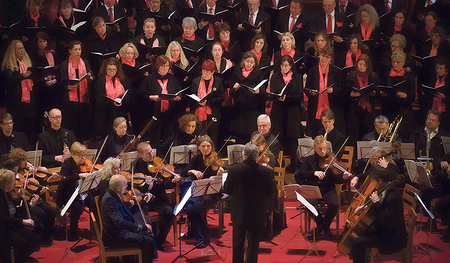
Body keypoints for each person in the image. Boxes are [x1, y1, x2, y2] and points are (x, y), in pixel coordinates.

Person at [223, 143, 274, 263]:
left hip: (239, 211)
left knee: (238, 241)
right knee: (254, 241)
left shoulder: (233, 170)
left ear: (243, 154)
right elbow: (269, 192)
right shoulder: (266, 172)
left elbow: (227, 189)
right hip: (257, 211)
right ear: (257, 156)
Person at [294, 135, 351, 239]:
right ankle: (323, 226)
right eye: (320, 149)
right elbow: (300, 173)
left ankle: (320, 228)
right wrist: (314, 173)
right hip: (313, 189)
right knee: (308, 205)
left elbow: (336, 180)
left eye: (324, 148)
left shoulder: (331, 160)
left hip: (327, 189)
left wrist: (344, 178)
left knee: (335, 204)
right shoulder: (308, 160)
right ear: (314, 149)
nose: (323, 151)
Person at [350, 166, 407, 263]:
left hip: (391, 238)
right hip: (385, 229)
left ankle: (357, 256)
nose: (372, 184)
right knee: (360, 230)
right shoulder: (386, 188)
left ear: (380, 180)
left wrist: (376, 203)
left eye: (373, 181)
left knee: (358, 242)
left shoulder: (393, 196)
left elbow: (385, 218)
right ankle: (359, 256)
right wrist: (365, 207)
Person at [132, 142, 181, 251]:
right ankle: (149, 241)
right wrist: (147, 186)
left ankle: (160, 240)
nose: (151, 154)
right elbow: (135, 187)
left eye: (151, 151)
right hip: (145, 199)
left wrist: (173, 181)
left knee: (170, 213)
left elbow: (166, 183)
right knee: (140, 215)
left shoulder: (158, 163)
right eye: (147, 153)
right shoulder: (135, 165)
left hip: (159, 199)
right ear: (140, 155)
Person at [101, 174, 158, 262]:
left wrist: (134, 203)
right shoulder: (110, 200)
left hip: (119, 231)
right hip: (115, 237)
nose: (127, 186)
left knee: (148, 234)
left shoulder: (113, 194)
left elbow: (122, 208)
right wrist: (142, 227)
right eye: (125, 185)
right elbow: (120, 222)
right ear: (118, 188)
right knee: (148, 241)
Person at [180, 135, 225, 248]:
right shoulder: (196, 159)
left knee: (199, 205)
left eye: (208, 146)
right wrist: (193, 171)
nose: (206, 149)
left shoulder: (215, 160)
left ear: (212, 147)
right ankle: (193, 232)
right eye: (203, 146)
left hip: (212, 193)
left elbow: (222, 180)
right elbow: (185, 171)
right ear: (199, 148)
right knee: (190, 207)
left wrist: (220, 174)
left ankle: (203, 238)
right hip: (198, 192)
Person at [8, 148, 58, 246]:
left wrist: (41, 190)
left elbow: (33, 187)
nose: (26, 162)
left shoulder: (27, 172)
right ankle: (41, 237)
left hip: (33, 198)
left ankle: (48, 236)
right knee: (42, 213)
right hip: (27, 202)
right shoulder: (14, 175)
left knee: (52, 210)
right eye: (23, 161)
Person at [138, 55, 183, 148]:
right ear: (157, 66)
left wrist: (179, 98)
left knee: (168, 140)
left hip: (170, 115)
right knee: (155, 141)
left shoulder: (174, 80)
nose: (165, 68)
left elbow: (180, 93)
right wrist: (151, 97)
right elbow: (140, 95)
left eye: (167, 66)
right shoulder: (149, 79)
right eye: (163, 66)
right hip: (154, 115)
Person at [268, 55, 303, 170]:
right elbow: (272, 92)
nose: (284, 67)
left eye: (287, 65)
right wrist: (277, 97)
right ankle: (278, 166)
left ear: (291, 66)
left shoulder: (297, 77)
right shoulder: (275, 76)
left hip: (292, 112)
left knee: (292, 142)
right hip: (278, 111)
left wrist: (287, 98)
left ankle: (294, 167)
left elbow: (299, 95)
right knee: (278, 140)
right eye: (282, 65)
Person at [0, 168, 42, 262]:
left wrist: (30, 205)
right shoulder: (1, 197)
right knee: (24, 245)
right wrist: (23, 221)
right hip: (4, 230)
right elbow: (2, 218)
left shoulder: (8, 193)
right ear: (7, 184)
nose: (15, 183)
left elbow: (15, 210)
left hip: (11, 226)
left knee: (36, 239)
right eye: (13, 181)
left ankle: (21, 257)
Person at [1, 40, 37, 143]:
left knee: (30, 126)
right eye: (19, 49)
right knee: (18, 126)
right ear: (13, 51)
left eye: (22, 48)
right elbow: (9, 82)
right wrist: (22, 76)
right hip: (16, 102)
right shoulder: (9, 65)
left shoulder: (26, 62)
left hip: (29, 100)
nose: (22, 51)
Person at [305, 46, 344, 137]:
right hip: (315, 107)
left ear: (330, 58)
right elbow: (307, 88)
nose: (324, 59)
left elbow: (341, 89)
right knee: (316, 135)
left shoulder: (336, 71)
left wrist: (333, 90)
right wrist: (311, 92)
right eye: (322, 56)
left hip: (330, 106)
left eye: (327, 57)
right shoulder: (312, 70)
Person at [60, 40, 95, 142]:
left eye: (79, 49)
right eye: (75, 50)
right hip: (70, 99)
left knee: (83, 122)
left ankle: (83, 141)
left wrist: (90, 78)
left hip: (83, 97)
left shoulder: (85, 62)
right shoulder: (65, 64)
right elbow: (61, 81)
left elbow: (92, 76)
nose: (78, 52)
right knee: (71, 122)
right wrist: (67, 87)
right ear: (70, 50)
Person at [227, 51, 265, 143]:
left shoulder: (258, 74)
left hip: (253, 110)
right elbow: (232, 93)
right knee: (239, 139)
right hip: (239, 110)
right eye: (247, 61)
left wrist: (258, 92)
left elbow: (263, 93)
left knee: (251, 138)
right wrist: (234, 88)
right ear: (243, 61)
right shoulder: (237, 73)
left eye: (251, 62)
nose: (249, 64)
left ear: (255, 63)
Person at [56, 142, 89, 240]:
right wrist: (79, 175)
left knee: (93, 201)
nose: (83, 158)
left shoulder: (81, 165)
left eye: (84, 155)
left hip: (79, 193)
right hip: (66, 194)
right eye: (80, 155)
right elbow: (65, 179)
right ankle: (73, 232)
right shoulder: (67, 163)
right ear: (73, 154)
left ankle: (96, 229)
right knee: (77, 207)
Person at [343, 54, 380, 142]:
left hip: (369, 110)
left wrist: (374, 94)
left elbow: (379, 93)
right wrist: (351, 95)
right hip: (354, 110)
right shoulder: (351, 76)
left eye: (364, 65)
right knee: (355, 134)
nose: (362, 67)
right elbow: (344, 94)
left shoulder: (373, 76)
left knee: (368, 133)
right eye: (360, 64)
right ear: (357, 64)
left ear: (368, 66)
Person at [379, 50, 415, 140]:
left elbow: (412, 96)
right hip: (389, 110)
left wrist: (406, 96)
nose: (395, 64)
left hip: (403, 112)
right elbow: (382, 90)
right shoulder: (386, 75)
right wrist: (382, 94)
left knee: (403, 139)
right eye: (393, 62)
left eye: (398, 62)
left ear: (403, 63)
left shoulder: (409, 76)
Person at [188, 59, 225, 145]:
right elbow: (191, 97)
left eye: (208, 72)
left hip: (213, 113)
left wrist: (208, 102)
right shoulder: (196, 81)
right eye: (204, 72)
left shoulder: (218, 81)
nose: (205, 74)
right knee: (199, 138)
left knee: (213, 138)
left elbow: (222, 97)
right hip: (198, 113)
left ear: (213, 72)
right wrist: (198, 103)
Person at [94, 58, 131, 139]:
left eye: (114, 69)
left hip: (120, 111)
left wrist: (122, 101)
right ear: (105, 70)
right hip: (107, 114)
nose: (112, 71)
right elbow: (99, 98)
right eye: (109, 69)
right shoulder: (101, 81)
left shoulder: (123, 80)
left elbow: (128, 94)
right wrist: (111, 103)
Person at [421, 58, 450, 130]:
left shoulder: (448, 79)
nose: (438, 70)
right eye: (437, 68)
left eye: (441, 68)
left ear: (446, 69)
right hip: (431, 106)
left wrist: (445, 97)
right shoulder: (432, 77)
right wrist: (425, 93)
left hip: (445, 110)